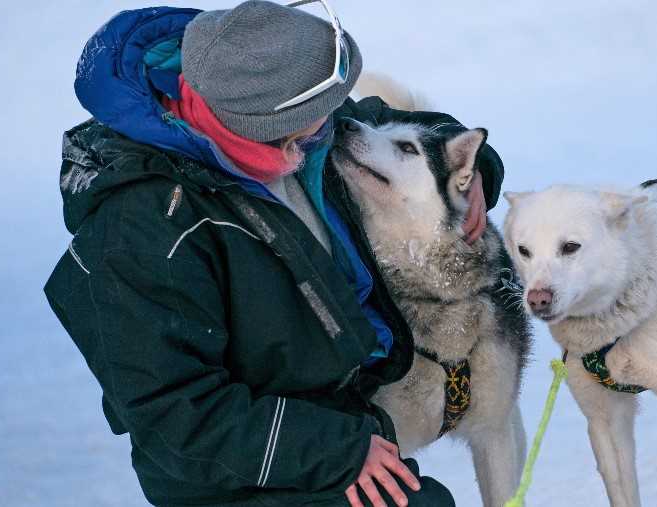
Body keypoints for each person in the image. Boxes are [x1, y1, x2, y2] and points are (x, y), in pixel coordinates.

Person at [44, 1, 504, 506]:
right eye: (318, 113)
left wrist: (474, 167)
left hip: (340, 402)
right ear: (262, 123)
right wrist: (336, 453)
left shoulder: (298, 125)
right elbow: (173, 413)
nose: (337, 120)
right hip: (240, 466)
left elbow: (397, 131)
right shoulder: (143, 227)